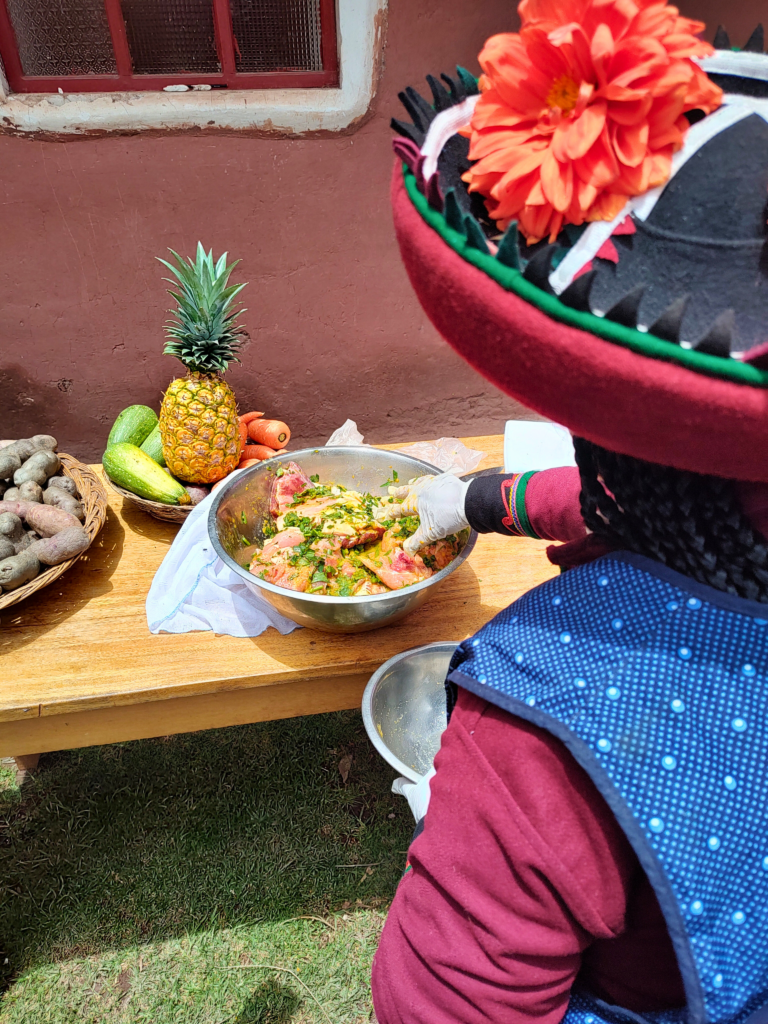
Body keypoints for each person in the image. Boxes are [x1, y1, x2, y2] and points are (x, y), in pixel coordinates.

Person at [371, 5, 768, 1023]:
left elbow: (442, 1009)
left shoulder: (546, 715)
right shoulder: (718, 530)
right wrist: (473, 500)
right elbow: (675, 518)